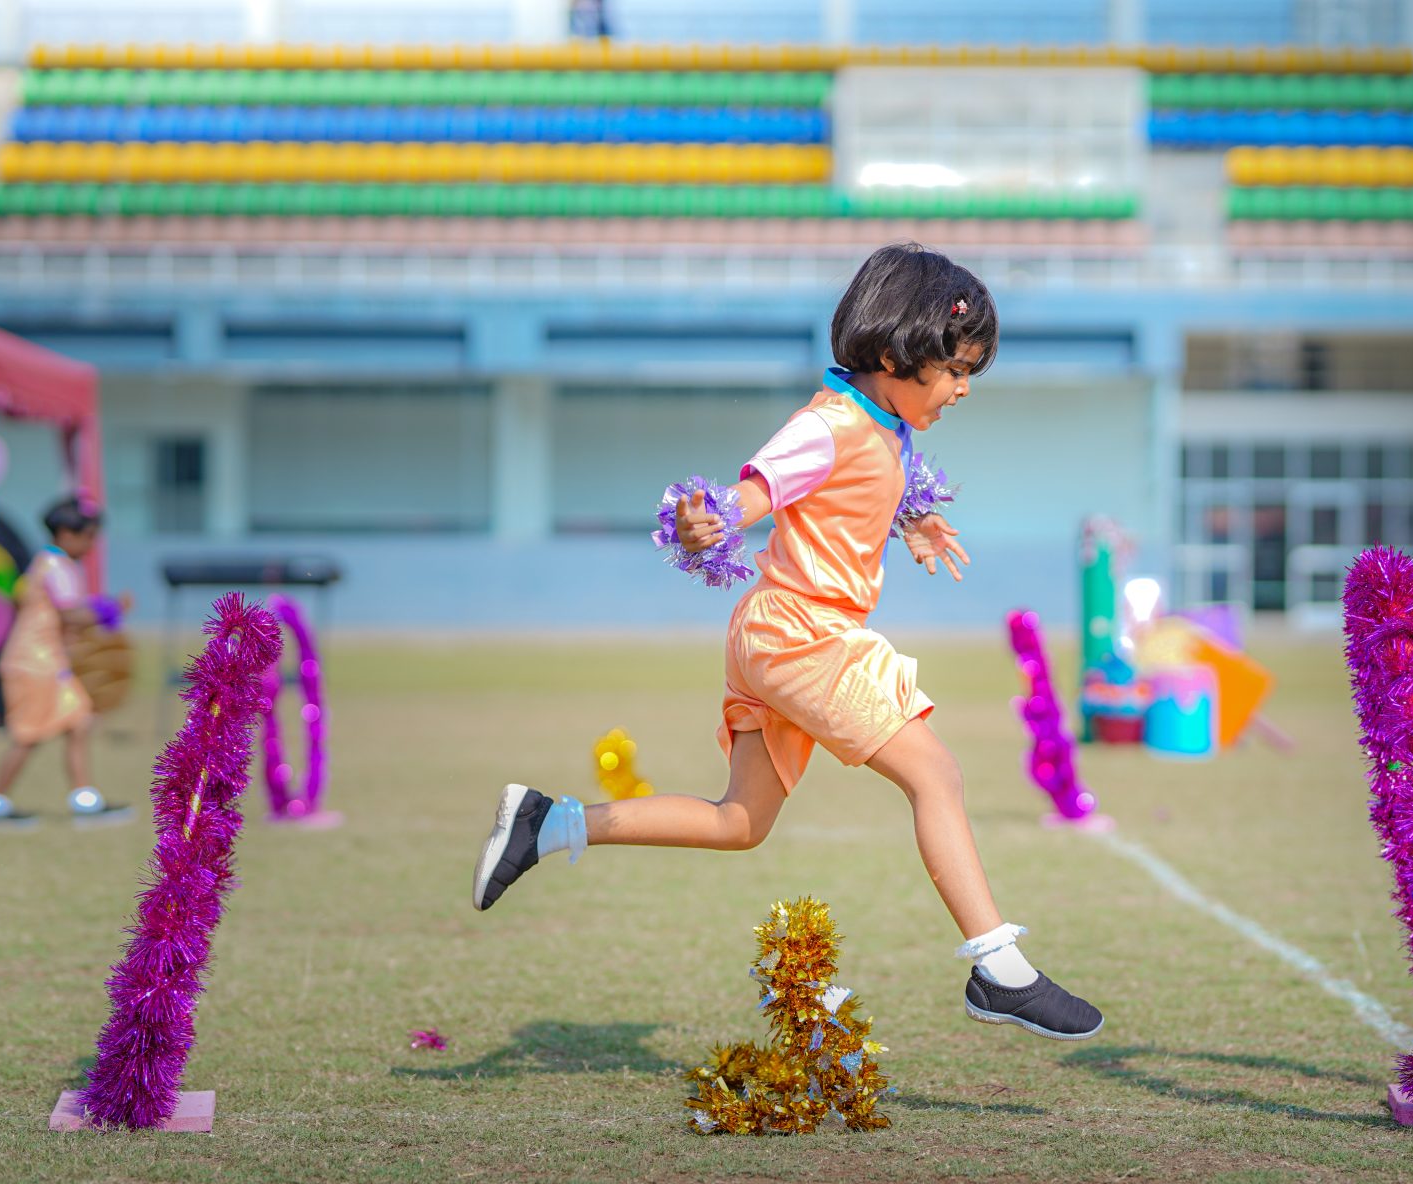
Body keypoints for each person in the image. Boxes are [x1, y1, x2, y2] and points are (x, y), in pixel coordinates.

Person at [470, 244, 1104, 1040]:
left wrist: (913, 516)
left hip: (778, 638)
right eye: (952, 369)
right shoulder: (829, 423)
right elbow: (762, 488)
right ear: (889, 354)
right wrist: (713, 517)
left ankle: (549, 823)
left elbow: (867, 481)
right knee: (935, 775)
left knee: (741, 822)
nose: (962, 387)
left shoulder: (879, 423)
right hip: (803, 633)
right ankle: (998, 970)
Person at [0, 497, 131, 826]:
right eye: (87, 537)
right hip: (35, 663)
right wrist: (110, 610)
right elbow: (70, 614)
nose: (91, 545)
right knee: (27, 736)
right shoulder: (58, 567)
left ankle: (85, 800)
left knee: (78, 722)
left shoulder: (47, 562)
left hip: (47, 662)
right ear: (64, 533)